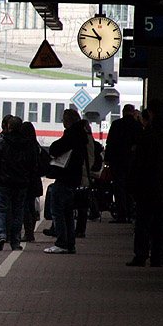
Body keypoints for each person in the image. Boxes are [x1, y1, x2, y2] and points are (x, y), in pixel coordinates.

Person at [125, 109, 163, 267]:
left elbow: (137, 165)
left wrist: (132, 186)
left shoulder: (145, 139)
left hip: (146, 189)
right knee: (162, 226)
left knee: (143, 224)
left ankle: (140, 255)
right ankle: (158, 257)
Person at [44, 108, 89, 255]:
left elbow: (55, 148)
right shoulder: (82, 135)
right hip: (74, 178)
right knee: (68, 213)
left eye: (63, 119)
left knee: (58, 211)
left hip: (65, 177)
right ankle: (70, 244)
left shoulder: (72, 134)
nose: (62, 122)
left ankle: (62, 243)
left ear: (68, 121)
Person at [0, 116, 33, 251]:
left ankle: (1, 234)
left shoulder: (0, 143)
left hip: (3, 183)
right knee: (18, 212)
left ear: (8, 127)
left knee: (1, 209)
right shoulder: (27, 145)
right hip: (21, 184)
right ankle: (15, 241)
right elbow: (32, 164)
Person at [105, 104, 142, 223]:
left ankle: (121, 214)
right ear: (132, 112)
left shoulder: (116, 124)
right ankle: (131, 213)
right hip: (132, 162)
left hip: (117, 162)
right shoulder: (137, 125)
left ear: (123, 112)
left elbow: (110, 143)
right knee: (130, 188)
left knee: (119, 188)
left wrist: (107, 159)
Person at [74, 120, 101, 238]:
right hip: (87, 175)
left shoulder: (82, 141)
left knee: (77, 203)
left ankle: (76, 230)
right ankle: (81, 229)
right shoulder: (92, 141)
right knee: (83, 204)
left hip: (82, 174)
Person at [19, 121, 45, 242]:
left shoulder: (24, 147)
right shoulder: (36, 146)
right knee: (31, 206)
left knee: (26, 208)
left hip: (25, 181)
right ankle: (30, 232)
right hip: (35, 181)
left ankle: (28, 233)